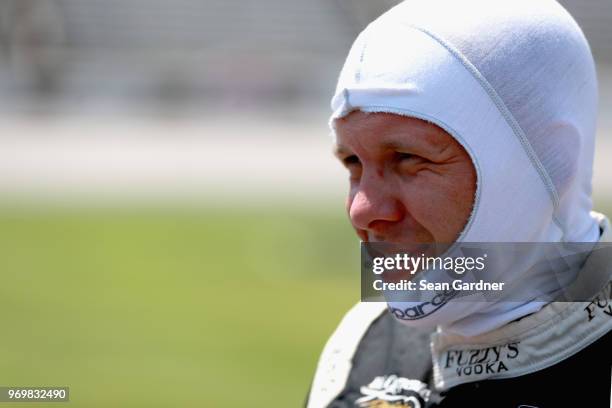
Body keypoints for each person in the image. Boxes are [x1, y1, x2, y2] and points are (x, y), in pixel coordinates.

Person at [306, 0, 612, 407]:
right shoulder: (361, 344)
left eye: (408, 158)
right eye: (353, 162)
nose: (362, 211)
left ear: (549, 162)